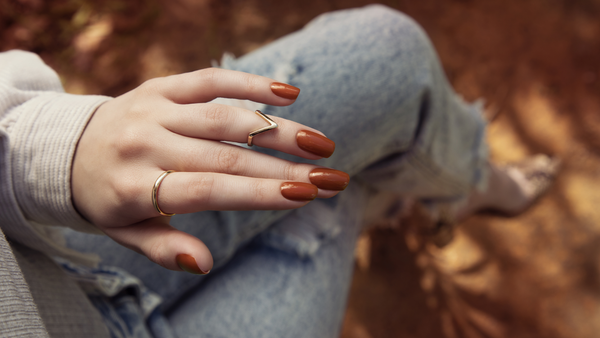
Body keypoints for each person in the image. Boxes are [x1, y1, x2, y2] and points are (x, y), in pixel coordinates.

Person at [0, 5, 556, 338]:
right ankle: (427, 193)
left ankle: (460, 186)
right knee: (331, 185)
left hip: (44, 240)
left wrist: (50, 150)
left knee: (388, 58)